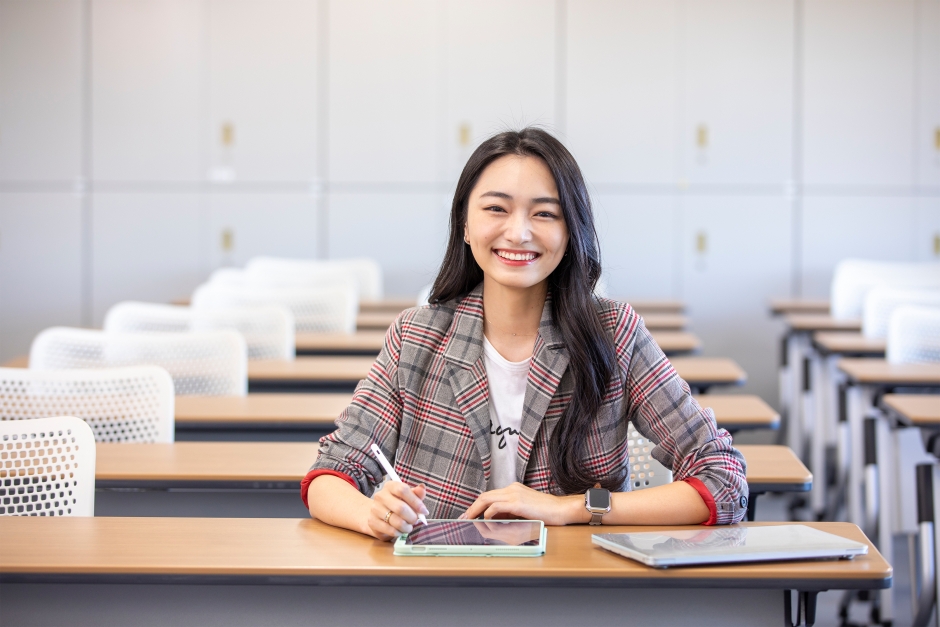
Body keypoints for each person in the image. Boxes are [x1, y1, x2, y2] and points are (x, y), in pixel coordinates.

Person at [302, 128, 748, 540]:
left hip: (574, 582)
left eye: (545, 213)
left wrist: (571, 508)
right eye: (496, 209)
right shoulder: (415, 337)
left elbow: (723, 480)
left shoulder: (614, 334)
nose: (518, 232)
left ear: (570, 232)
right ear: (465, 224)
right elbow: (330, 474)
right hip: (441, 580)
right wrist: (373, 515)